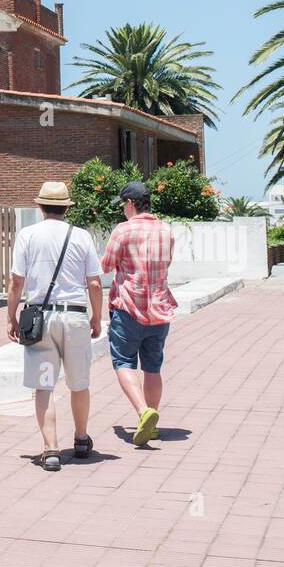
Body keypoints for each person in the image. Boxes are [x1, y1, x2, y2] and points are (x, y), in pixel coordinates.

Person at [7, 181, 103, 472]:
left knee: (44, 385)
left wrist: (11, 316)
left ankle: (50, 450)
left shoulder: (27, 235)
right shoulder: (82, 236)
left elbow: (16, 282)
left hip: (41, 319)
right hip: (74, 318)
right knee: (79, 382)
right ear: (66, 207)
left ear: (40, 206)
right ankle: (82, 438)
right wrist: (96, 318)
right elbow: (95, 283)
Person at [101, 180, 177, 446]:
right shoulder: (166, 230)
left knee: (123, 363)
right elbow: (166, 263)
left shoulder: (123, 231)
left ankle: (143, 412)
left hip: (128, 309)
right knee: (153, 367)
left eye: (123, 204)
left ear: (131, 204)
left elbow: (107, 265)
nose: (123, 209)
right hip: (159, 310)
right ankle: (153, 422)